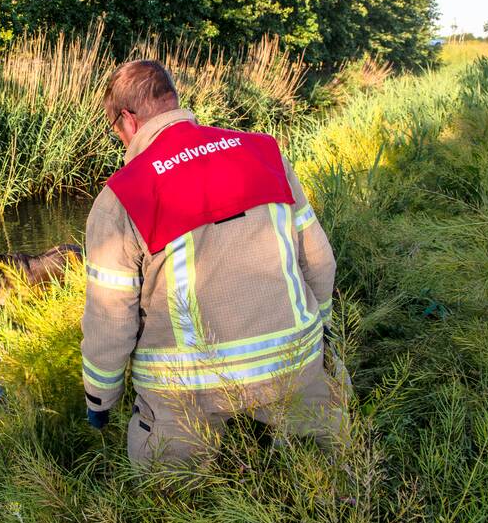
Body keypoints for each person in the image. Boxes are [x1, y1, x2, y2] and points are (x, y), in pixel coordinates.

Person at [81, 60, 348, 464]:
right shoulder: (265, 153)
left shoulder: (122, 194)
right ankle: (334, 492)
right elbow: (319, 261)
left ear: (128, 121)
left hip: (189, 385)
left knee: (165, 489)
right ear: (172, 101)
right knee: (334, 453)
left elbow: (110, 319)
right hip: (292, 361)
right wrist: (322, 333)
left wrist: (100, 398)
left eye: (115, 130)